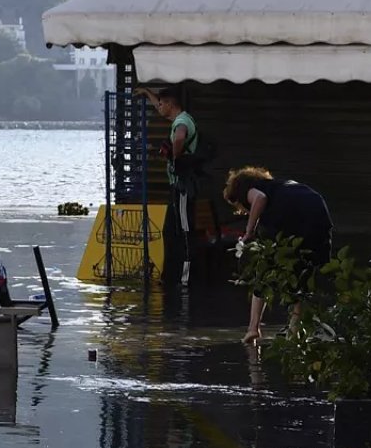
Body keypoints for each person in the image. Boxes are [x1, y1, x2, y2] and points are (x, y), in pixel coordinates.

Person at [223, 166, 333, 344]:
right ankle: (294, 329)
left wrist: (249, 230)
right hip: (318, 212)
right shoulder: (278, 186)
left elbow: (259, 198)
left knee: (264, 268)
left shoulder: (248, 188)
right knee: (302, 272)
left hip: (292, 216)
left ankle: (253, 328)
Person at [138, 86, 198, 290]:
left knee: (183, 231)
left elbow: (180, 137)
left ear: (171, 104)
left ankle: (185, 279)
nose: (159, 107)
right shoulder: (180, 117)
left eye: (162, 104)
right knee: (169, 230)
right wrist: (147, 93)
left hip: (182, 186)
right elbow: (161, 106)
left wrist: (174, 154)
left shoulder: (181, 122)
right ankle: (172, 274)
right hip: (177, 186)